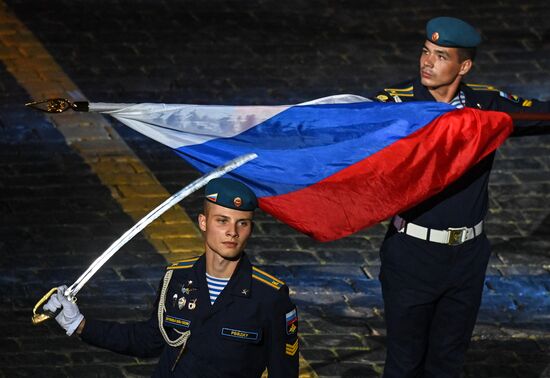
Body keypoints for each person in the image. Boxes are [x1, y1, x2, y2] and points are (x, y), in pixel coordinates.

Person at [372, 17, 550, 377]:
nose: (427, 61)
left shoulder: (486, 105)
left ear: (463, 66)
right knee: (404, 363)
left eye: (440, 56)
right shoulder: (392, 105)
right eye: (425, 51)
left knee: (448, 362)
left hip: (467, 257)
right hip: (412, 256)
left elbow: (542, 114)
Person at [43, 177, 299, 377]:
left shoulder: (270, 298)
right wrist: (79, 324)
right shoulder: (176, 279)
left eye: (242, 223)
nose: (232, 232)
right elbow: (148, 341)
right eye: (222, 220)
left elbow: (284, 373)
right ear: (203, 222)